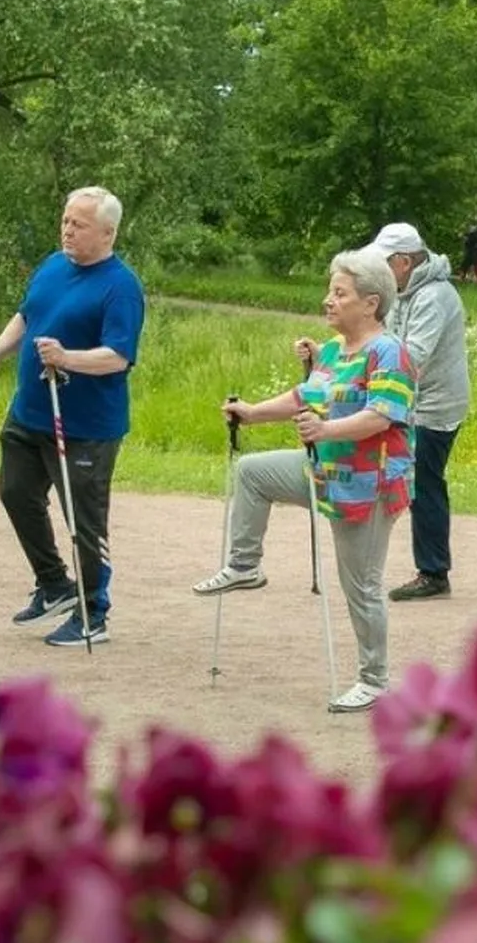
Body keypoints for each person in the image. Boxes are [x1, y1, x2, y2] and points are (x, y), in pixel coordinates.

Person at [191, 248, 417, 714]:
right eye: (330, 290)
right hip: (322, 468)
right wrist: (251, 414)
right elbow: (305, 396)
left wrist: (327, 429)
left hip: (368, 484)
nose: (328, 300)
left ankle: (375, 681)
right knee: (251, 472)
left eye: (340, 292)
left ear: (370, 303)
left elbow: (383, 415)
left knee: (362, 585)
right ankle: (245, 565)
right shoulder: (334, 349)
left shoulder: (389, 351)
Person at [0, 187, 146, 648]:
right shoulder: (53, 265)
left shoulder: (122, 287)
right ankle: (55, 583)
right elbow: (27, 316)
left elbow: (118, 357)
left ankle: (93, 610)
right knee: (15, 493)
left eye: (78, 225)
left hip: (85, 427)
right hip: (30, 412)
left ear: (107, 232)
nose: (67, 230)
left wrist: (67, 358)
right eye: (65, 221)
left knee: (83, 520)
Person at [356, 223, 472, 603]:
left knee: (423, 484)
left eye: (383, 263)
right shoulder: (403, 292)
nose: (378, 273)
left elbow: (413, 356)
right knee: (416, 482)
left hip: (434, 407)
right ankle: (429, 568)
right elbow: (381, 341)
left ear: (404, 262)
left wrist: (367, 367)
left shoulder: (435, 296)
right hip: (409, 402)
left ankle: (434, 572)